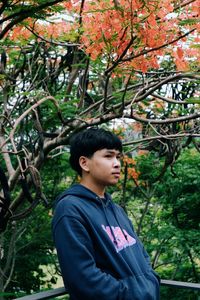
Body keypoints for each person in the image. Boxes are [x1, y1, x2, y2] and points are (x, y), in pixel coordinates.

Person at [52, 127, 160, 300]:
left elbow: (142, 255)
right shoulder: (70, 209)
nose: (117, 163)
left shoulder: (116, 209)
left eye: (118, 157)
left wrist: (151, 282)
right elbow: (82, 278)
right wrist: (133, 294)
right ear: (84, 163)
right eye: (108, 156)